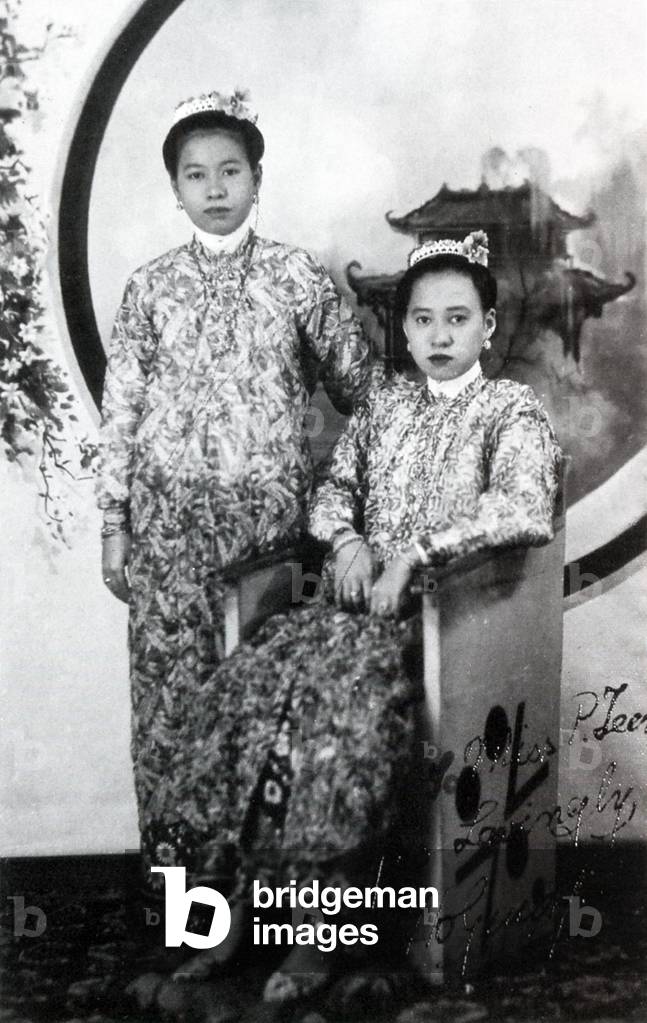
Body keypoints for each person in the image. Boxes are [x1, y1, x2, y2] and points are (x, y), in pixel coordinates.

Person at [170, 231, 562, 1001]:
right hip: (345, 617)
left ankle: (316, 941)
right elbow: (332, 490)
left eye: (457, 318)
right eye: (422, 320)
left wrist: (412, 554)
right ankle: (218, 924)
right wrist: (345, 540)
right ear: (403, 327)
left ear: (488, 324)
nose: (439, 335)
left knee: (334, 718)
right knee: (234, 697)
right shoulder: (384, 404)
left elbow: (522, 509)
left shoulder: (511, 411)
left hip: (444, 624)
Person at [96, 89, 370, 890]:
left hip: (267, 536)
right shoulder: (150, 289)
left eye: (229, 171)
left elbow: (363, 393)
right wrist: (114, 521)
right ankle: (187, 901)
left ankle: (267, 904)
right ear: (174, 188)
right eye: (195, 174)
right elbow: (121, 412)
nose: (214, 188)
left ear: (257, 177)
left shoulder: (296, 278)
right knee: (171, 714)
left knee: (260, 708)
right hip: (166, 531)